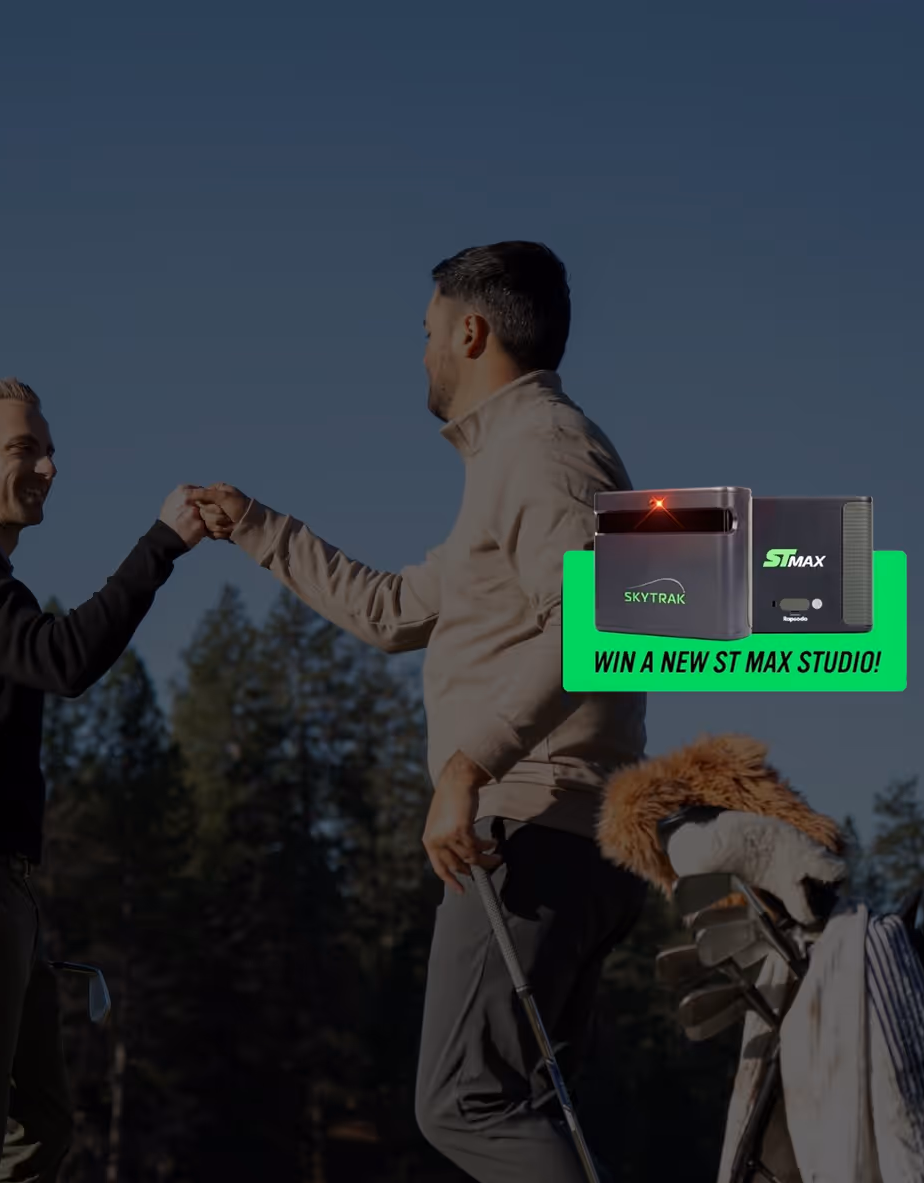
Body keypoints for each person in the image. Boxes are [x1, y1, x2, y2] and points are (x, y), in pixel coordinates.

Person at [191, 242, 649, 1182]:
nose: (425, 351)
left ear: (470, 331)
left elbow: (599, 615)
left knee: (463, 1102)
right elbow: (396, 611)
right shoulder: (514, 459)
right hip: (559, 828)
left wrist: (467, 764)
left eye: (428, 331)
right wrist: (256, 526)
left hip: (531, 824)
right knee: (516, 1104)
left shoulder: (543, 450)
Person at [0, 377, 210, 1181]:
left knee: (37, 1128)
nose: (50, 466)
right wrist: (160, 544)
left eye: (49, 448)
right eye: (25, 448)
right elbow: (60, 658)